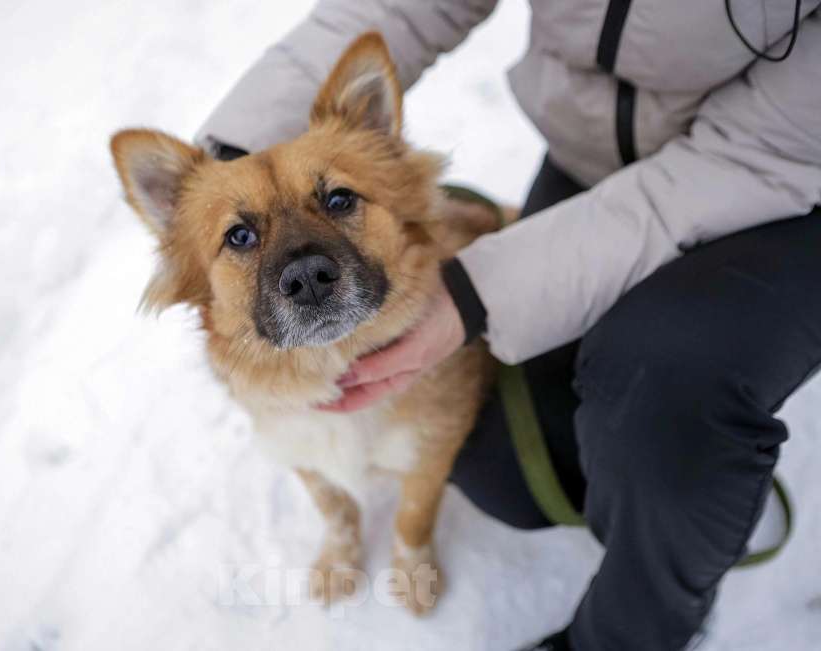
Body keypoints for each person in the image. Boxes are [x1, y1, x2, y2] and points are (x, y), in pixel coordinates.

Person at [195, 2, 821, 649]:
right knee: (505, 467)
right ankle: (641, 500)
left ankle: (636, 625)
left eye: (337, 201)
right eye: (240, 236)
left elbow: (768, 150)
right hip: (600, 156)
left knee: (657, 399)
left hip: (792, 181)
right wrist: (218, 165)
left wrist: (477, 293)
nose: (303, 273)